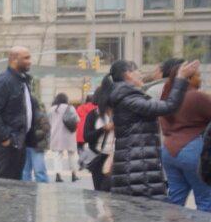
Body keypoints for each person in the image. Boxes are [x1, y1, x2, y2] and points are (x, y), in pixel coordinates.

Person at [104, 58, 198, 200]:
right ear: (128, 74)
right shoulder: (129, 99)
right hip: (138, 168)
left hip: (137, 165)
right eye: (138, 71)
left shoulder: (126, 96)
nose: (140, 74)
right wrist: (180, 78)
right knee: (148, 213)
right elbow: (168, 107)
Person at [158, 58, 211, 211]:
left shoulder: (167, 96)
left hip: (168, 151)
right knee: (206, 198)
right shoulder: (197, 96)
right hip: (193, 149)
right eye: (197, 75)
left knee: (175, 198)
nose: (200, 78)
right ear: (188, 77)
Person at [0, 46, 37, 179]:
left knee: (14, 185)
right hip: (7, 143)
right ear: (14, 59)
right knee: (3, 185)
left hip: (19, 141)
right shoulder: (3, 82)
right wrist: (5, 138)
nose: (30, 61)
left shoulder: (22, 81)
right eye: (26, 58)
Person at [81, 93, 113, 193]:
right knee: (100, 190)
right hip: (98, 157)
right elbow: (86, 136)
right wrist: (103, 129)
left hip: (114, 156)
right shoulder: (93, 115)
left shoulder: (119, 114)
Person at [46, 92, 79, 183]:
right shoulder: (70, 108)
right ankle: (74, 174)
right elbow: (77, 119)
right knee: (72, 155)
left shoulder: (52, 109)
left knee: (57, 155)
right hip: (69, 135)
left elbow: (48, 121)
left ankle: (58, 175)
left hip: (56, 135)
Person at [21, 98, 50, 183]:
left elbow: (46, 129)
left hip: (36, 145)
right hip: (28, 145)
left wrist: (33, 134)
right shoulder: (25, 115)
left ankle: (40, 186)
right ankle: (28, 188)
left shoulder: (40, 115)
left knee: (36, 170)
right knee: (29, 171)